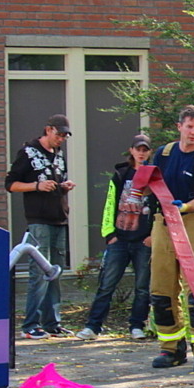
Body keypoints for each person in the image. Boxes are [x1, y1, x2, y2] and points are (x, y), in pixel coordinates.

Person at [149, 106, 194, 373]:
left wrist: (184, 207)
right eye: (189, 126)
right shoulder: (164, 154)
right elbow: (148, 182)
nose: (193, 132)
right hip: (163, 223)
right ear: (179, 126)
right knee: (161, 288)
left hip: (193, 223)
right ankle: (171, 349)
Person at [76, 134, 155, 341]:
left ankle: (137, 325)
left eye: (145, 149)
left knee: (142, 286)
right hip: (119, 239)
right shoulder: (121, 174)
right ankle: (93, 326)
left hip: (143, 241)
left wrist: (153, 235)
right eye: (138, 149)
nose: (141, 153)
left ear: (149, 152)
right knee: (107, 284)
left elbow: (159, 207)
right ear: (131, 151)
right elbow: (110, 203)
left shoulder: (155, 176)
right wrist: (109, 234)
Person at [4, 114, 77, 339]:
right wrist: (37, 185)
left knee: (56, 271)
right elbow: (11, 184)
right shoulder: (28, 152)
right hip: (39, 221)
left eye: (65, 136)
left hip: (59, 219)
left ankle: (52, 323)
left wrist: (63, 187)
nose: (61, 139)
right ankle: (30, 325)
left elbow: (54, 183)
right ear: (48, 130)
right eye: (59, 134)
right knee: (39, 273)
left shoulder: (59, 154)